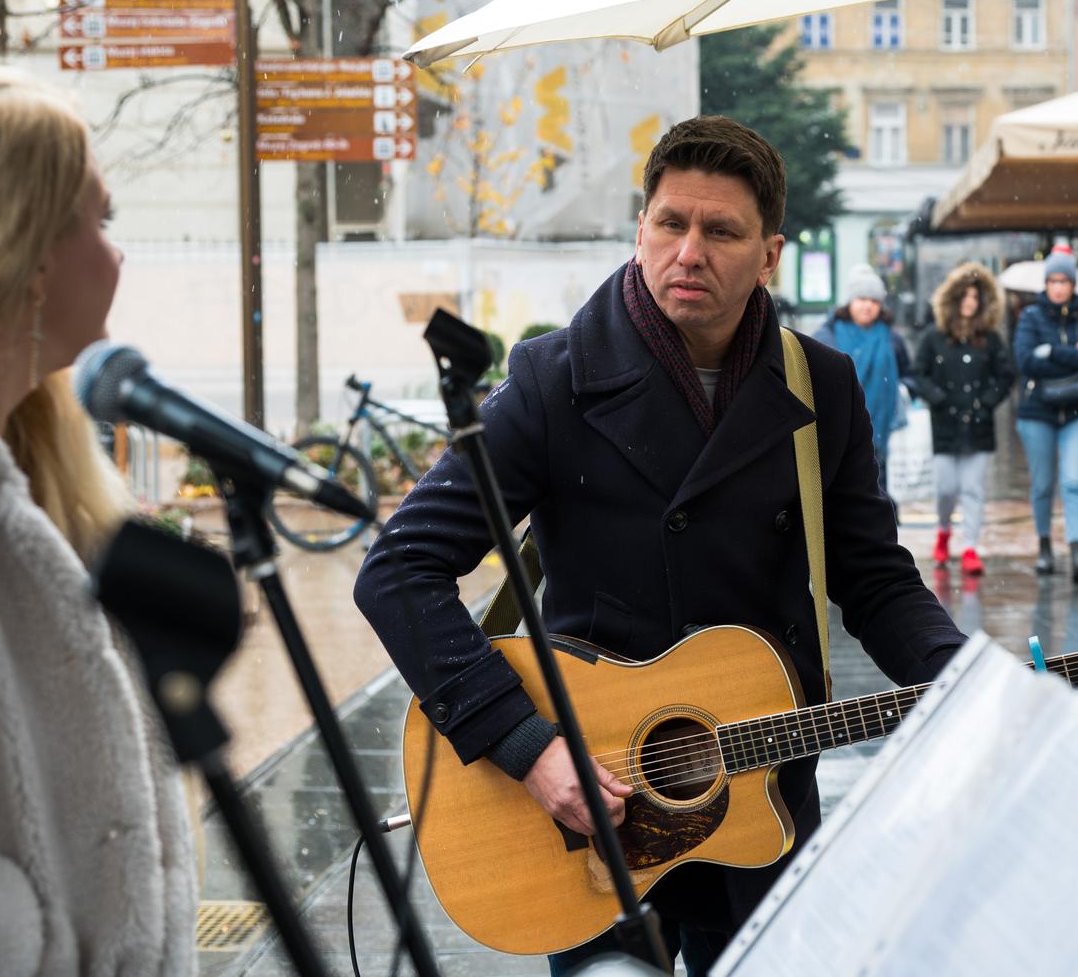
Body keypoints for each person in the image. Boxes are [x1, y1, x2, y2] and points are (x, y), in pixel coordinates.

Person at [354, 116, 965, 974]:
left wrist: (961, 675)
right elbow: (397, 571)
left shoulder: (819, 385)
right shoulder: (551, 380)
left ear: (769, 255)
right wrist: (528, 747)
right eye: (671, 223)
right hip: (589, 813)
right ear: (640, 229)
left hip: (759, 798)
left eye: (722, 231)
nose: (690, 251)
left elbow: (871, 576)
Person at [0, 67, 197, 973]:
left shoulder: (29, 466)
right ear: (22, 253)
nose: (118, 256)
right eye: (99, 222)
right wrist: (10, 933)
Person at [915, 262, 1014, 576]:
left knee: (973, 488)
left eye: (976, 297)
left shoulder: (990, 339)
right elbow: (921, 374)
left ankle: (970, 545)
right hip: (945, 424)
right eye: (965, 296)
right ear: (954, 299)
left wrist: (985, 403)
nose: (970, 302)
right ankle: (943, 531)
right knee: (946, 487)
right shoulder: (934, 338)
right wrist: (939, 400)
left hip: (978, 425)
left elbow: (1005, 375)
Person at [1013, 245, 1078, 582]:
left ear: (1073, 285)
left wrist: (1051, 351)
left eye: (1065, 280)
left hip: (1077, 410)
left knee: (1073, 481)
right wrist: (1069, 354)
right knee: (1042, 485)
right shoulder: (1031, 317)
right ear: (1046, 284)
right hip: (1037, 412)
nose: (1060, 287)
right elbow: (1025, 361)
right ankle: (1045, 545)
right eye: (1054, 280)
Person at [813, 266, 915, 501]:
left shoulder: (892, 338)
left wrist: (904, 391)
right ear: (850, 301)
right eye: (861, 299)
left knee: (877, 487)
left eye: (874, 300)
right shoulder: (828, 336)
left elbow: (910, 374)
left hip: (881, 427)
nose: (867, 306)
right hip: (838, 428)